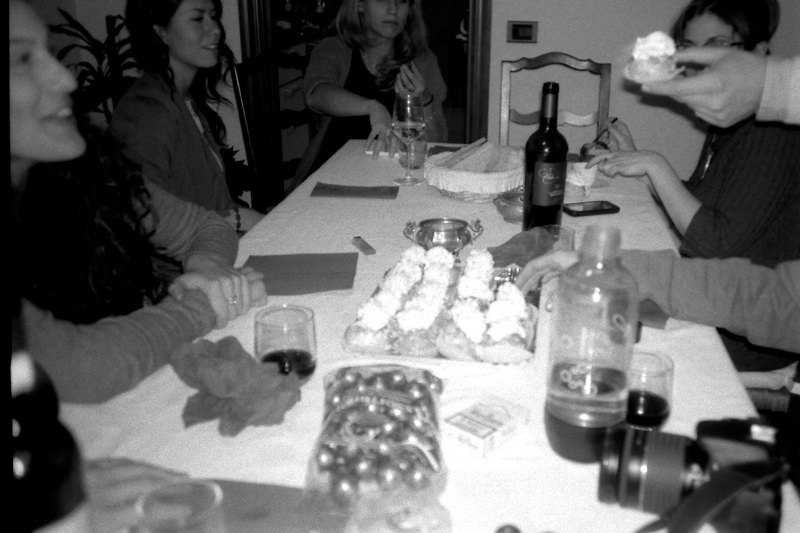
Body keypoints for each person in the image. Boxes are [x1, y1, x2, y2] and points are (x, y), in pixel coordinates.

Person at [10, 0, 267, 404]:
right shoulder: (148, 110)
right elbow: (79, 365)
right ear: (159, 31)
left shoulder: (86, 168)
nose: (67, 79)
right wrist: (203, 302)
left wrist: (207, 263)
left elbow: (201, 224)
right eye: (22, 59)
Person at [589, 0, 800, 268]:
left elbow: (716, 246)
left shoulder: (771, 131)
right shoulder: (727, 121)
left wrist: (656, 165)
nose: (697, 63)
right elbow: (703, 202)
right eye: (689, 48)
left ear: (758, 53)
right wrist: (641, 169)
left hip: (756, 289)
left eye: (717, 45)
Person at [109, 0, 263, 234]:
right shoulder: (146, 114)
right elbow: (144, 218)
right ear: (160, 31)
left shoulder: (183, 98)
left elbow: (211, 200)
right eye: (198, 18)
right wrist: (240, 220)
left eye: (213, 16)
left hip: (217, 242)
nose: (216, 30)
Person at [293, 0, 448, 184]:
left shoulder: (423, 60)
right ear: (360, 5)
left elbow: (437, 142)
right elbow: (316, 94)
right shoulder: (335, 48)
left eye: (401, 1)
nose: (393, 10)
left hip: (393, 178)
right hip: (330, 177)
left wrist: (425, 99)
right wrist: (372, 107)